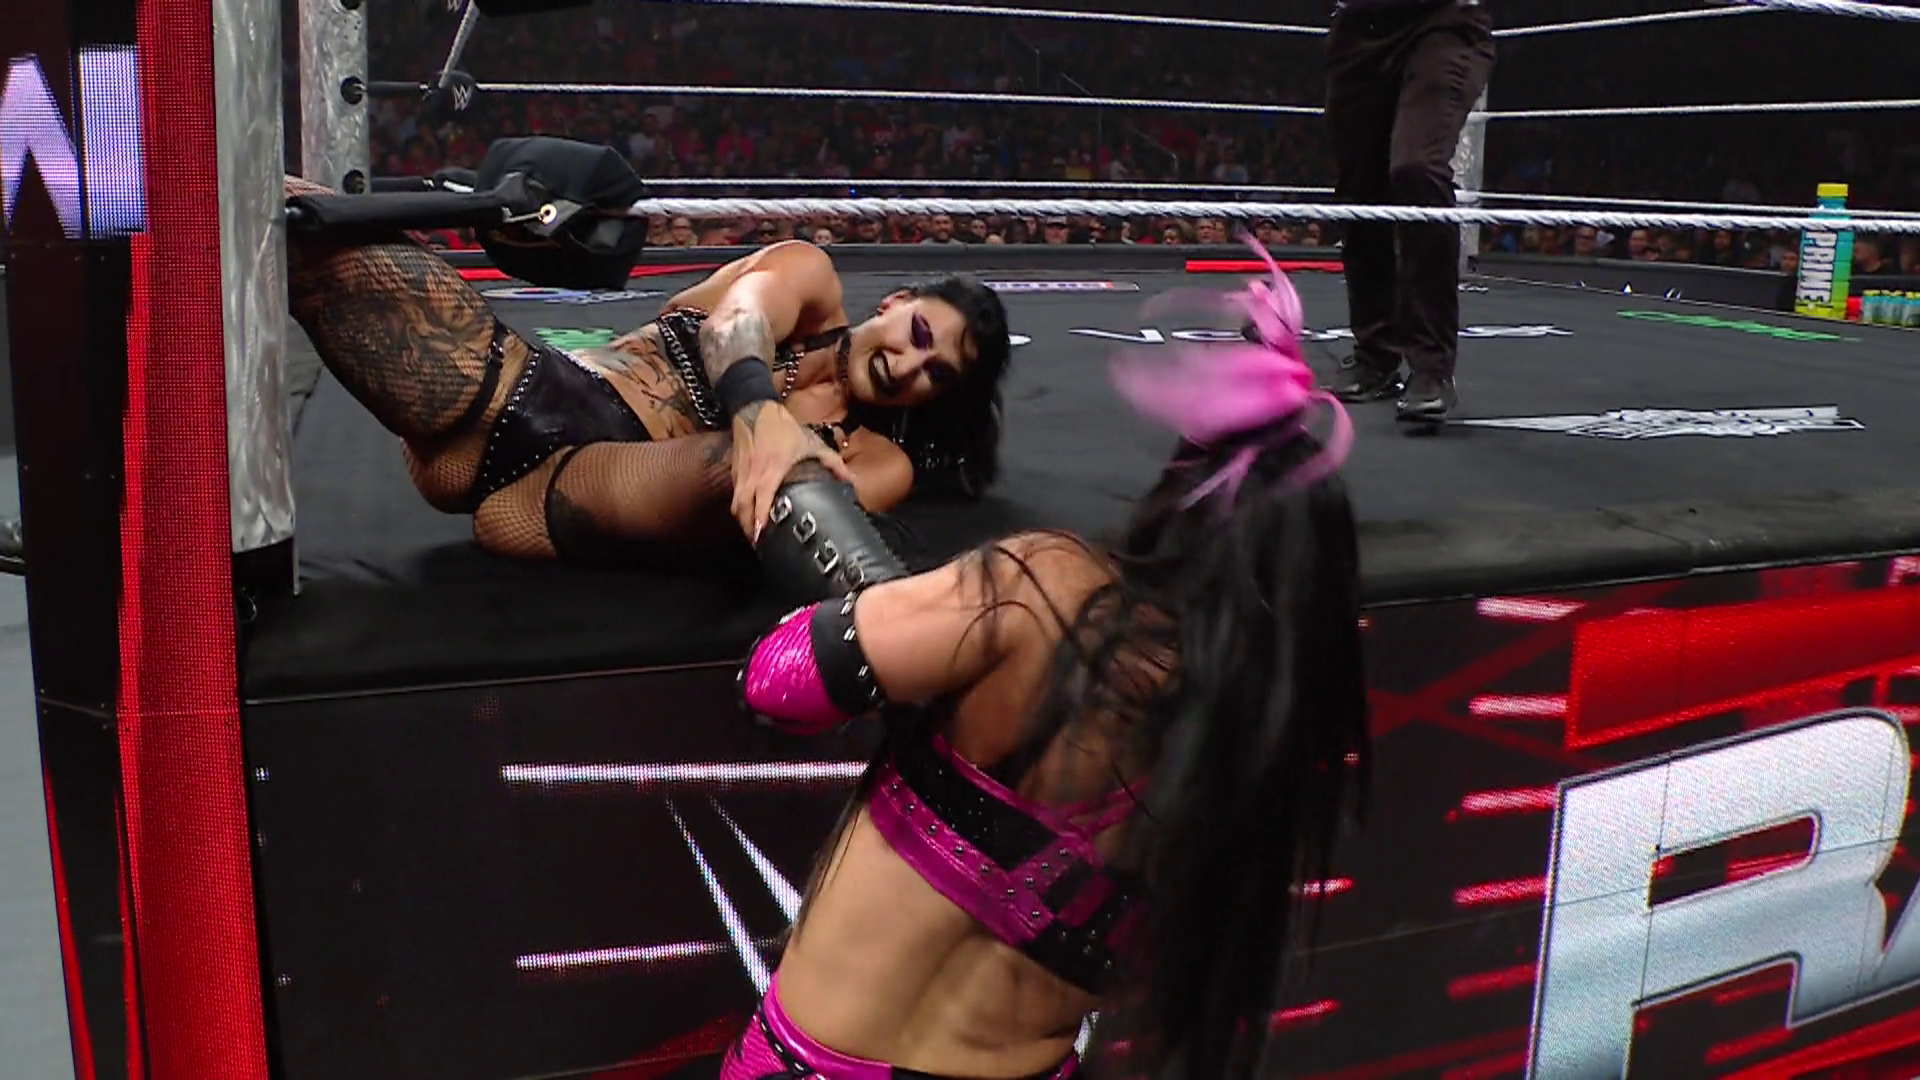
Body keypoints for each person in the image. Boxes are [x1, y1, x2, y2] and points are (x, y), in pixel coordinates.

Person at [730, 248, 1371, 1080]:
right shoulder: (1257, 744)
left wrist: (895, 615)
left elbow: (779, 682)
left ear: (1178, 489)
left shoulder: (1049, 591)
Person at [282, 176, 1012, 569]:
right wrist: (758, 411)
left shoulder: (880, 457)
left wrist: (781, 450)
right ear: (894, 302)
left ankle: (886, 655)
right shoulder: (809, 277)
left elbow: (765, 530)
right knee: (299, 223)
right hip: (527, 393)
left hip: (592, 493)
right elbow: (737, 322)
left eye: (938, 373)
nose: (910, 363)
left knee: (804, 476)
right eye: (921, 334)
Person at [1323, 0, 1496, 422]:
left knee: (1417, 168)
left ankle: (1432, 367)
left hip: (1441, 22)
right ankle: (1375, 355)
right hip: (1360, 29)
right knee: (1358, 185)